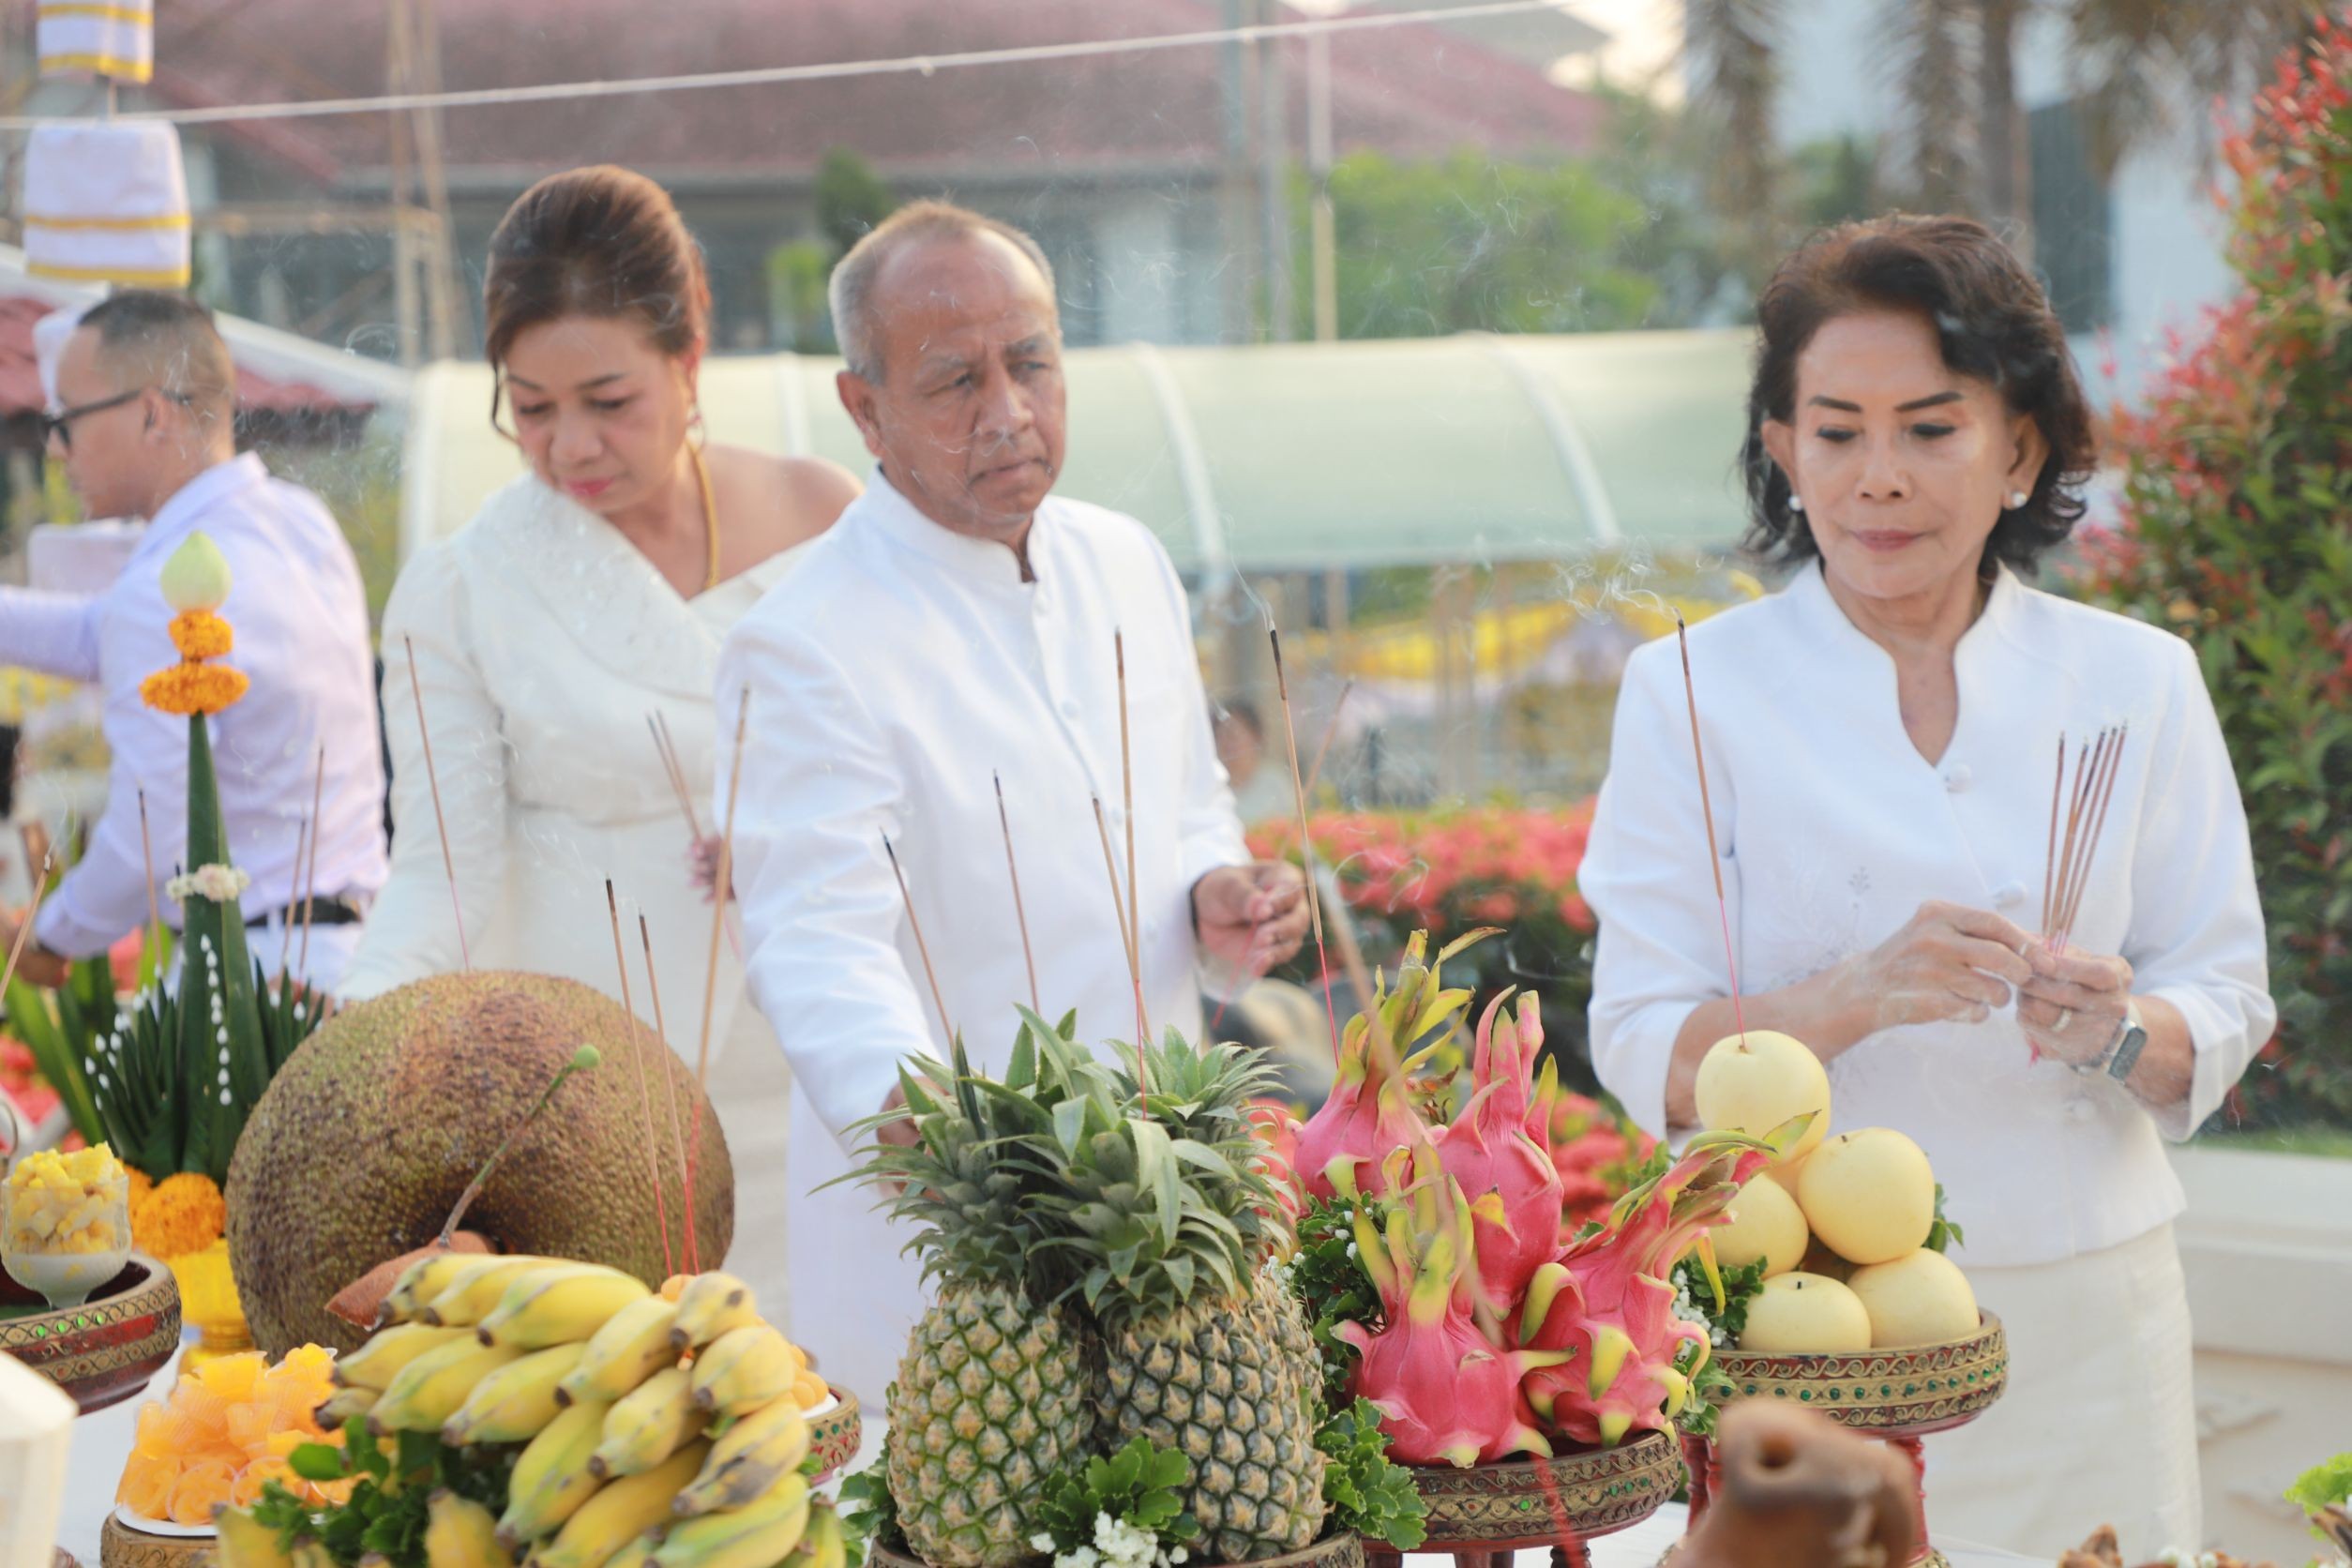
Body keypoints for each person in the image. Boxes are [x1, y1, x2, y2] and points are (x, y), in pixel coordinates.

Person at [1578, 216, 2273, 1559]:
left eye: (1930, 429)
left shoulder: (2138, 681)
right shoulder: (1688, 694)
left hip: (2084, 1322)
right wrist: (1842, 1001)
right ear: (1782, 449)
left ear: (2020, 449)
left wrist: (2121, 1032)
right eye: (1836, 432)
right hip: (1800, 1327)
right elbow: (1639, 1043)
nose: (1877, 478)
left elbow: (2221, 989)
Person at [717, 201, 1312, 1407]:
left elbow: (1188, 804)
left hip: (1173, 1224)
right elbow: (820, 950)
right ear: (862, 407)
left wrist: (1219, 891)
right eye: (954, 380)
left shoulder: (1126, 560)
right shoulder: (805, 640)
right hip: (957, 1273)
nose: (1009, 411)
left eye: (1031, 362)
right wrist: (973, 1180)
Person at [338, 167, 858, 1320]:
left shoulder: (831, 518)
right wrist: (357, 1028)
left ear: (691, 352)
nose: (569, 445)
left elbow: (917, 779)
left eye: (608, 399)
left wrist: (810, 836)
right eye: (530, 407)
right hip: (597, 1121)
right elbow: (442, 870)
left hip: (824, 1068)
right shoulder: (462, 588)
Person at [0, 292, 385, 990]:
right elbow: (102, 633)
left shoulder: (168, 585)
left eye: (67, 421)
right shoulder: (301, 524)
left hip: (253, 985)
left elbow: (149, 830)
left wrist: (51, 934)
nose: (57, 450)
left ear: (151, 412)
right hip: (363, 958)